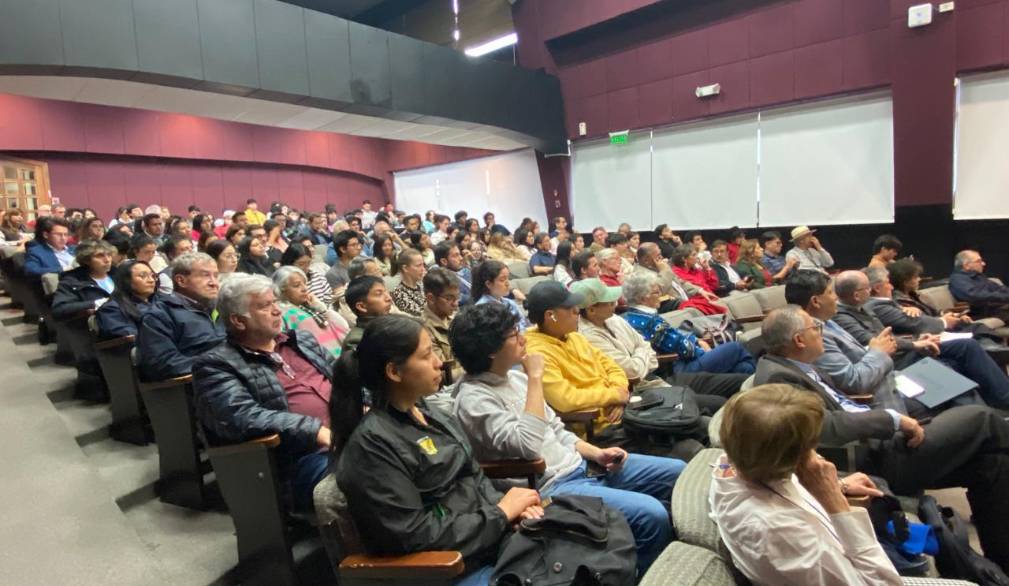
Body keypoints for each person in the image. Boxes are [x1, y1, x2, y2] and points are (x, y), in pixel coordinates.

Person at [754, 305, 1009, 573]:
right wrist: (893, 419)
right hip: (873, 458)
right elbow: (824, 426)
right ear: (799, 340)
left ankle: (1001, 563)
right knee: (983, 419)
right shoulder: (778, 379)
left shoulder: (793, 366)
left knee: (991, 462)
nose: (821, 332)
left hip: (876, 442)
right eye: (815, 328)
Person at [450, 302, 682, 574]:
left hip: (583, 466)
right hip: (549, 488)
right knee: (650, 515)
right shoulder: (474, 399)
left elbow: (557, 430)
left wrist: (595, 453)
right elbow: (528, 445)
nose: (523, 338)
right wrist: (535, 378)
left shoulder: (516, 379)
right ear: (490, 350)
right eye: (514, 334)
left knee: (678, 473)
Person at [331, 315, 552, 586]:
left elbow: (475, 477)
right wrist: (500, 514)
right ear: (394, 372)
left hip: (491, 542)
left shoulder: (432, 414)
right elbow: (413, 535)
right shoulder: (372, 445)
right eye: (426, 356)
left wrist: (512, 513)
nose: (439, 362)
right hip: (451, 569)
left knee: (591, 545)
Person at [711, 384, 901, 586]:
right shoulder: (780, 533)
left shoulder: (732, 463)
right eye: (812, 444)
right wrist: (836, 503)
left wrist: (839, 486)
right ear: (795, 459)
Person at [192, 274, 333, 512]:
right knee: (372, 471)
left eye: (275, 302)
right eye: (265, 306)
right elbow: (241, 416)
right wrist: (314, 430)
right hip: (303, 459)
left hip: (352, 436)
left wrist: (367, 403)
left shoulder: (301, 341)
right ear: (238, 320)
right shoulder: (215, 365)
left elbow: (347, 377)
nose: (277, 311)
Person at [829, 270, 1009, 408]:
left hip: (899, 351)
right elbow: (876, 342)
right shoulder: (841, 316)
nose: (871, 291)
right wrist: (915, 344)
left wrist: (918, 338)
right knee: (958, 352)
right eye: (867, 288)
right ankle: (994, 406)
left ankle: (993, 406)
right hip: (891, 362)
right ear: (857, 295)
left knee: (960, 352)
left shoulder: (862, 307)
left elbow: (888, 335)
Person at [523, 281, 629, 435]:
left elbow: (612, 367)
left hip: (620, 412)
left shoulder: (574, 336)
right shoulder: (536, 354)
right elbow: (566, 399)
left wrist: (619, 394)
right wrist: (613, 396)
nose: (577, 311)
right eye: (570, 308)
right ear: (550, 315)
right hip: (596, 431)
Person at [620, 273, 755, 375]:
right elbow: (685, 350)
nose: (661, 295)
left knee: (744, 368)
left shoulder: (633, 315)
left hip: (682, 361)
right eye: (656, 292)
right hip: (680, 369)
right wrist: (702, 348)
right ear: (642, 298)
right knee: (735, 348)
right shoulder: (650, 322)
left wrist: (695, 340)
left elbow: (676, 338)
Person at [136, 252, 226, 381]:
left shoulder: (223, 309)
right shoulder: (159, 316)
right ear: (181, 280)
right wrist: (221, 363)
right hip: (200, 386)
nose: (214, 283)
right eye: (205, 275)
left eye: (216, 276)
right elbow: (163, 364)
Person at [865, 263, 1000, 342]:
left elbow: (932, 313)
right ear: (905, 281)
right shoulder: (896, 302)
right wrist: (945, 320)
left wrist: (955, 316)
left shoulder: (913, 296)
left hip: (937, 327)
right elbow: (917, 322)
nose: (919, 279)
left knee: (978, 329)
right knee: (976, 335)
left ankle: (999, 352)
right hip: (930, 333)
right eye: (915, 277)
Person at [273, 266, 348, 358]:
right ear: (281, 289)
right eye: (297, 285)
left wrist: (323, 309)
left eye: (305, 284)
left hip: (339, 357)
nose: (304, 288)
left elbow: (344, 327)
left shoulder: (310, 305)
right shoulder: (280, 312)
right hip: (318, 363)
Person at [51, 240, 116, 320]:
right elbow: (59, 309)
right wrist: (95, 303)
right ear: (86, 260)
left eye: (109, 255)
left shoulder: (118, 274)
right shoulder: (72, 281)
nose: (107, 260)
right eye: (100, 256)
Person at [96, 260, 159, 339]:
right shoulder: (112, 309)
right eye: (143, 276)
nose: (151, 280)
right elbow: (129, 334)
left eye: (153, 276)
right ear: (126, 280)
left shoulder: (160, 301)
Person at [421, 268, 463, 382]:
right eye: (449, 298)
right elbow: (442, 375)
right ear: (431, 298)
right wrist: (476, 368)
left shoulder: (457, 317)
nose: (455, 303)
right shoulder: (423, 330)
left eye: (457, 297)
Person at [949, 249, 1009, 321]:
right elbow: (975, 296)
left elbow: (999, 288)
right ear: (966, 266)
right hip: (981, 313)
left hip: (996, 308)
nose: (983, 264)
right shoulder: (958, 279)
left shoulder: (978, 276)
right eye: (979, 261)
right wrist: (1004, 297)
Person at [473, 260, 530, 331]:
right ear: (489, 284)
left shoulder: (510, 303)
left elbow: (524, 325)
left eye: (508, 278)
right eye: (502, 280)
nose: (507, 283)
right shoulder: (482, 309)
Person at [342, 275, 393, 352]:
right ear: (362, 306)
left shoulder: (392, 321)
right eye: (379, 294)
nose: (389, 298)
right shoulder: (357, 341)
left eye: (386, 292)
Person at [280, 243, 333, 308]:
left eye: (308, 263)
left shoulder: (318, 277)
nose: (306, 267)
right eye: (301, 264)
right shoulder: (285, 283)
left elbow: (329, 302)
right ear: (290, 263)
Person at [433, 241, 472, 305]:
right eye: (456, 255)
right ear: (444, 261)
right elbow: (464, 300)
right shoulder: (442, 281)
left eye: (460, 254)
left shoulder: (464, 271)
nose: (461, 258)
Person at [390, 248, 426, 317]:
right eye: (419, 265)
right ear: (405, 268)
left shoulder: (421, 283)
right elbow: (421, 316)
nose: (423, 269)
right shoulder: (399, 293)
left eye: (423, 265)